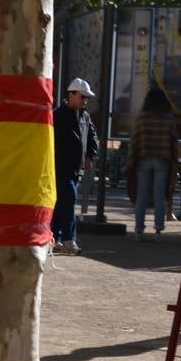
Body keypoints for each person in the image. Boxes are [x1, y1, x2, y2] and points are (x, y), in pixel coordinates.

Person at [50, 78, 100, 253]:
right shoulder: (57, 115)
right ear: (71, 95)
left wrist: (89, 155)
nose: (85, 100)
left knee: (61, 204)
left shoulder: (85, 116)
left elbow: (93, 137)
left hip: (74, 169)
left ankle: (54, 238)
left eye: (87, 98)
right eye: (82, 97)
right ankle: (69, 239)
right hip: (60, 167)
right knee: (68, 201)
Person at [125, 87, 176, 243]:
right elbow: (174, 140)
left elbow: (135, 141)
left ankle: (138, 230)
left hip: (144, 159)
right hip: (162, 159)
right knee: (159, 196)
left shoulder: (142, 118)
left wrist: (130, 160)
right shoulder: (168, 118)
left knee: (141, 196)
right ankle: (158, 231)